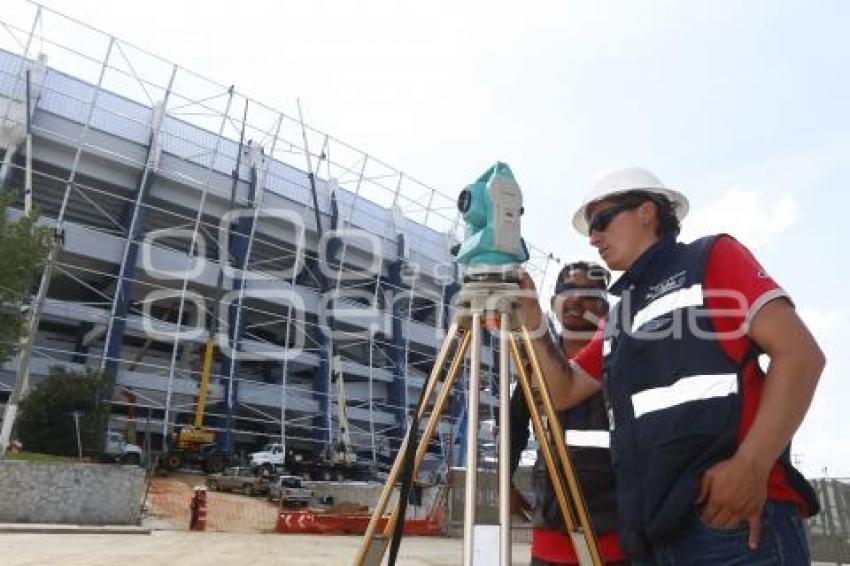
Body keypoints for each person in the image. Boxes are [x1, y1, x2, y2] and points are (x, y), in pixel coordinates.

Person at [518, 167, 824, 564]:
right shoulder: (621, 314)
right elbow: (565, 390)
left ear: (647, 212)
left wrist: (751, 465)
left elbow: (800, 355)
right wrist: (532, 322)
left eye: (601, 221)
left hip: (730, 523)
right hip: (656, 531)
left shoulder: (711, 258)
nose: (593, 237)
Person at [509, 260, 628, 565]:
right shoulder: (533, 367)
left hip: (616, 537)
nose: (576, 299)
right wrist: (503, 482)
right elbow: (513, 429)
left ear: (605, 305)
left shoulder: (624, 360)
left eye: (589, 292)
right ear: (553, 302)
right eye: (568, 290)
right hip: (550, 537)